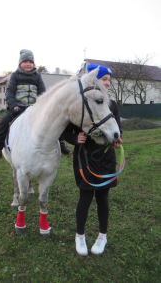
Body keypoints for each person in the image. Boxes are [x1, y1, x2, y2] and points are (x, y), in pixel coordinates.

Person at [62, 64, 123, 256]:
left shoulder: (111, 104)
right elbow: (65, 130)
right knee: (85, 197)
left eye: (108, 81)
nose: (107, 83)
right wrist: (74, 139)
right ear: (94, 81)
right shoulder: (81, 103)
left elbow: (118, 127)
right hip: (85, 157)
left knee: (103, 197)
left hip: (105, 157)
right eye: (104, 79)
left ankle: (102, 236)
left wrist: (117, 138)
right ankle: (79, 236)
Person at [0, 49, 71, 161]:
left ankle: (62, 144)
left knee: (53, 120)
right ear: (20, 63)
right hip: (18, 108)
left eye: (31, 62)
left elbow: (43, 93)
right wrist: (13, 106)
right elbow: (9, 92)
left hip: (34, 108)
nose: (28, 64)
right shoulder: (15, 76)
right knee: (4, 122)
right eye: (25, 62)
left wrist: (43, 105)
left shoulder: (37, 76)